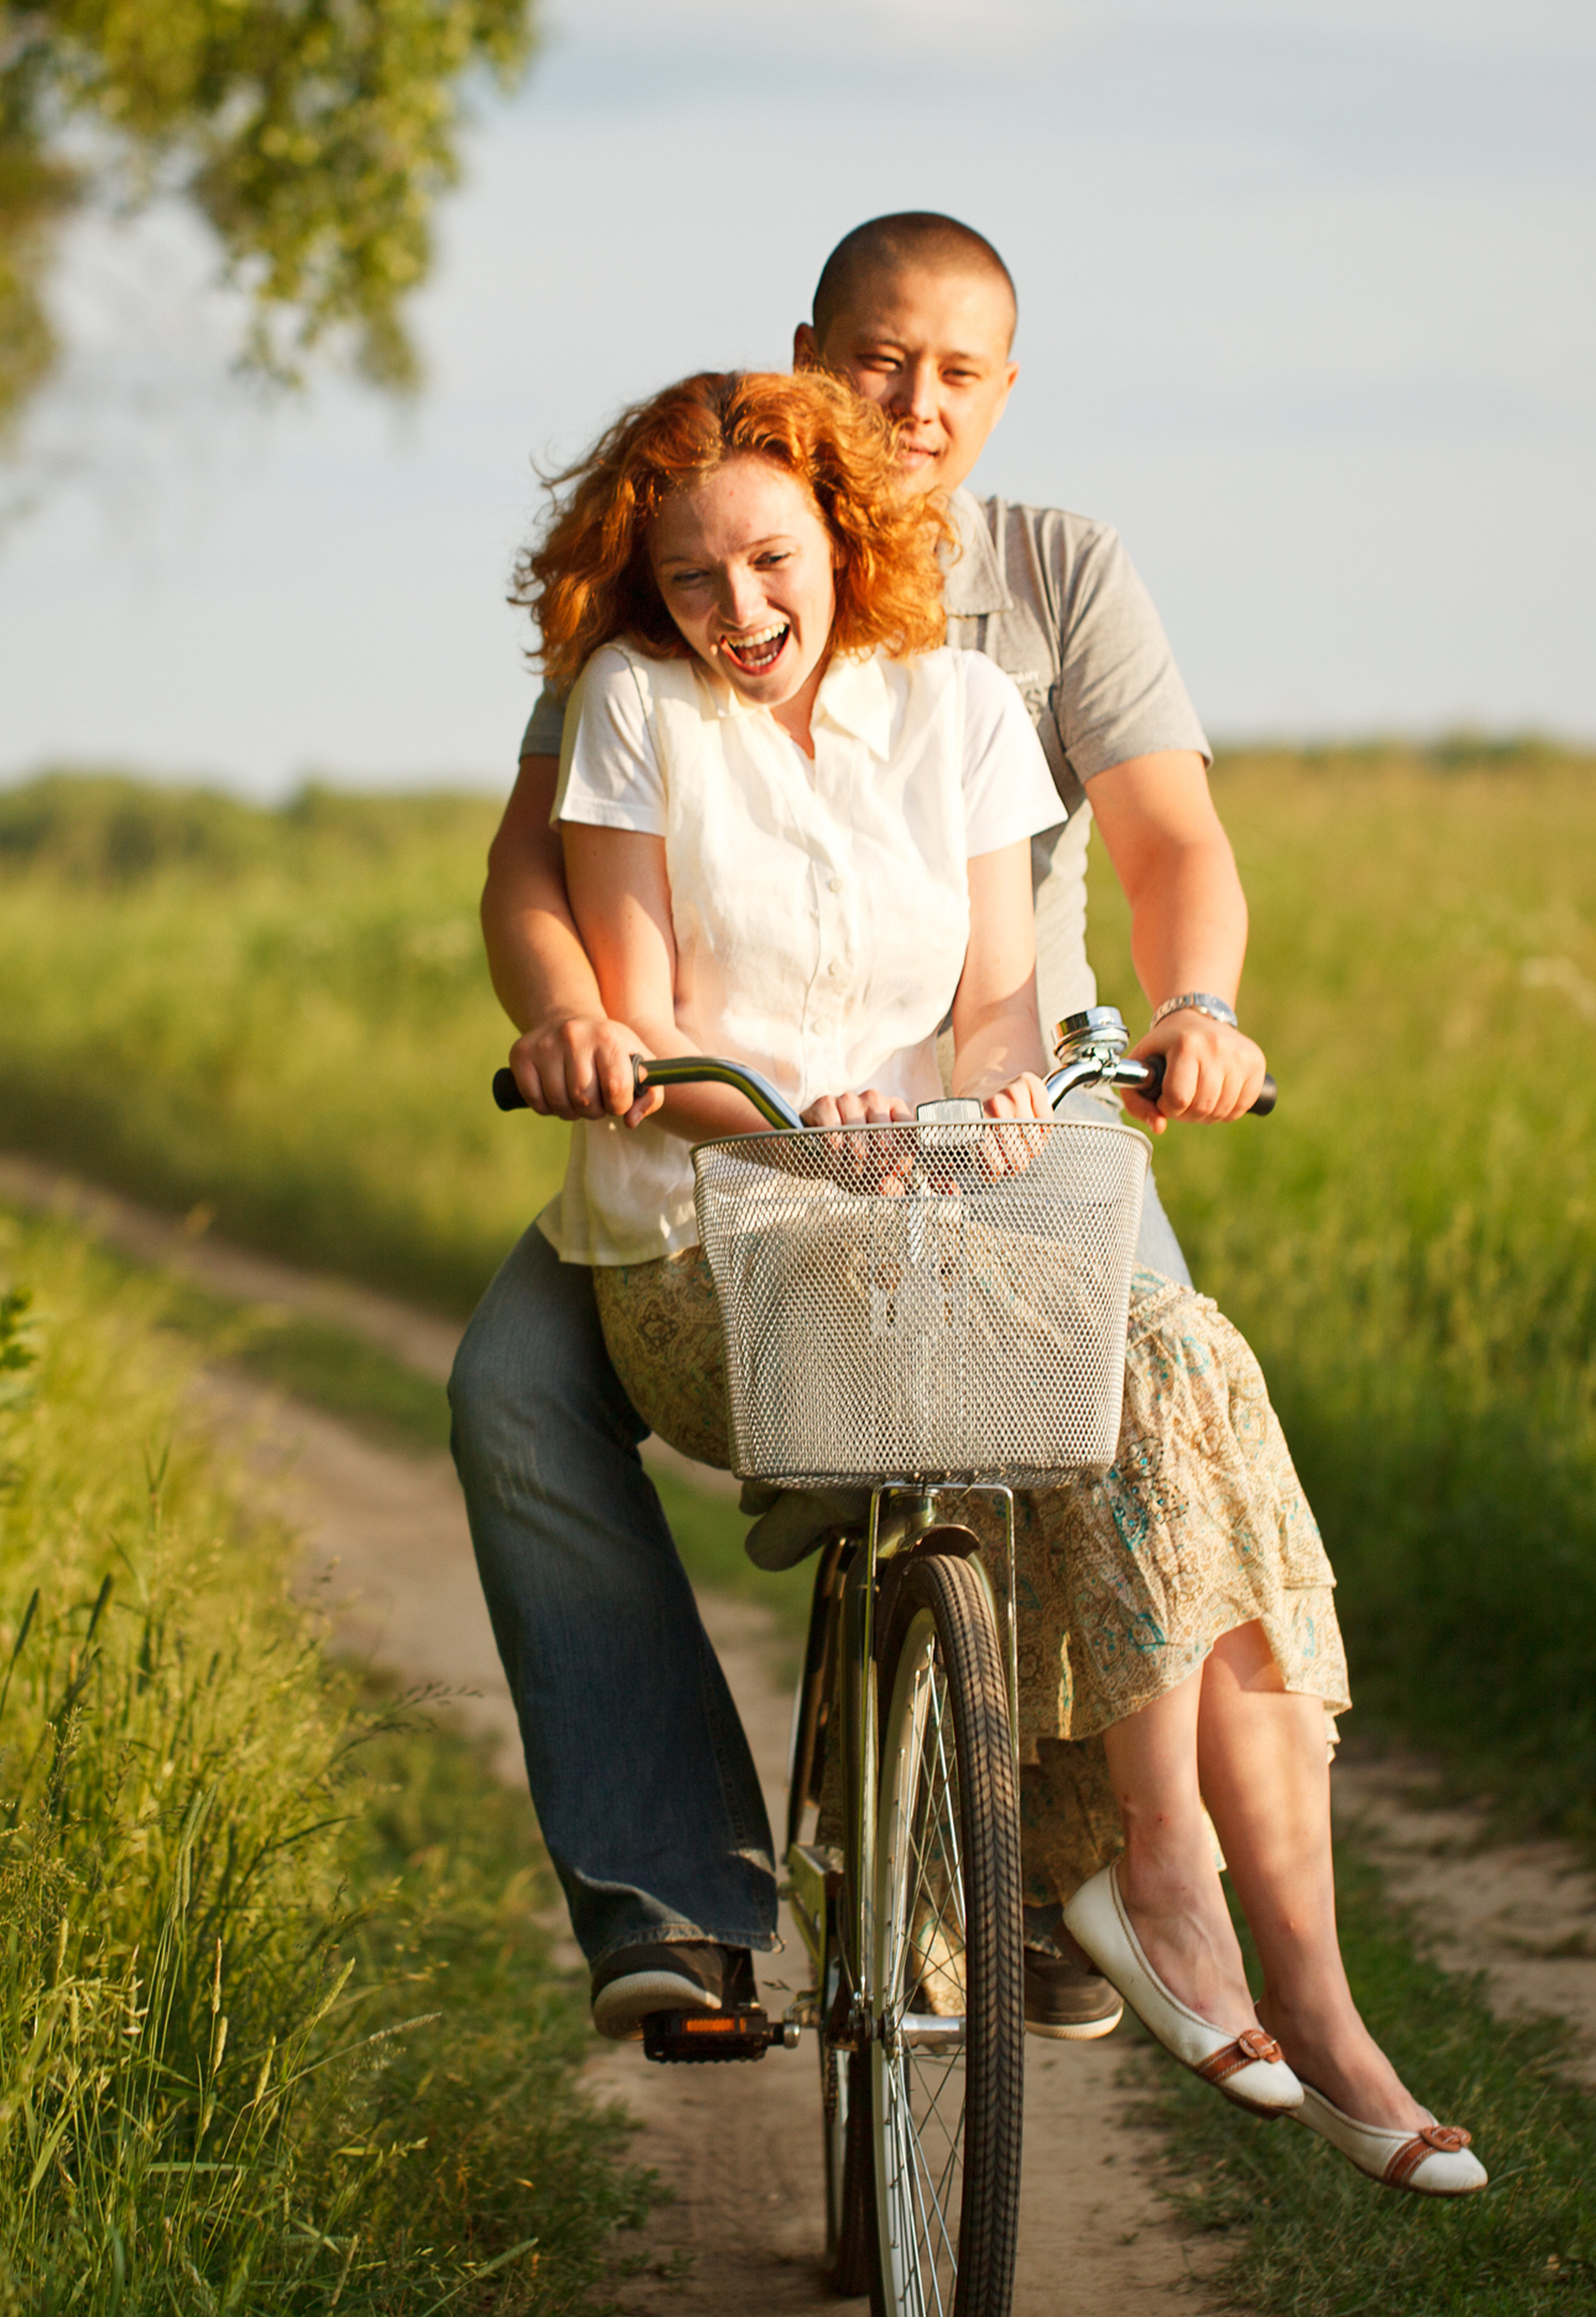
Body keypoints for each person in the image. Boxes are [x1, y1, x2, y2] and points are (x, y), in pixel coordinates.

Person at [497, 363, 1483, 2199]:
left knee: (1179, 1370)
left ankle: (1204, 1911)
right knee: (1041, 1372)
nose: (739, 614)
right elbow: (642, 1014)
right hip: (716, 1234)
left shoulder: (958, 704)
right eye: (695, 578)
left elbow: (990, 1007)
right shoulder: (632, 702)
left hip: (925, 1208)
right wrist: (782, 1114)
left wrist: (1005, 1091)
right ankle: (1103, 1883)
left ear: (844, 534)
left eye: (771, 563)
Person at [460, 212, 1258, 2046]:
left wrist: (1192, 1010)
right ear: (809, 351)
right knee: (516, 1392)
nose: (915, 401)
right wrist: (569, 1018)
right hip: (731, 1116)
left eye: (959, 371)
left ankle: (1068, 1873)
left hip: (997, 1102)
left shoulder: (1051, 580)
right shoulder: (693, 554)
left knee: (1120, 1393)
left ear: (1004, 392)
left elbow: (1171, 849)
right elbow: (537, 875)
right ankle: (676, 1899)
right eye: (879, 358)